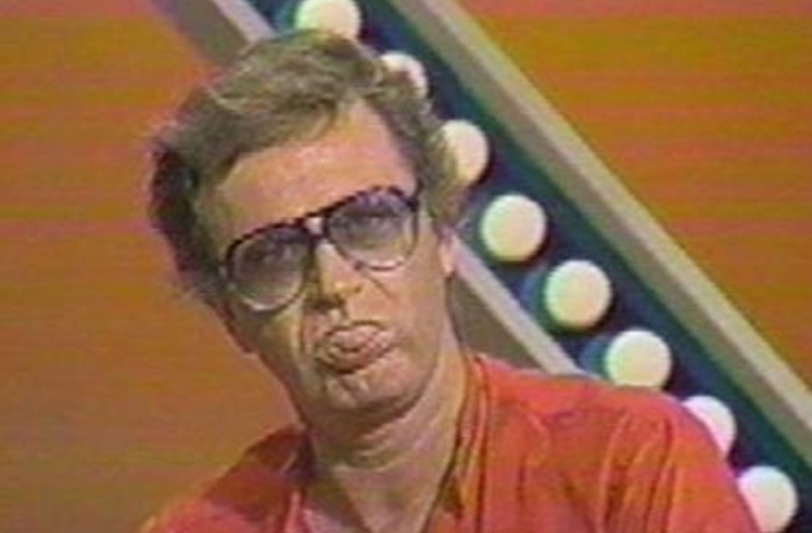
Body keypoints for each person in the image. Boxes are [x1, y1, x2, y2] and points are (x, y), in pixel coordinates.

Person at [142, 30, 757, 532]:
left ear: (441, 233)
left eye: (367, 222)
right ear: (229, 312)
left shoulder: (629, 463)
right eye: (273, 256)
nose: (333, 284)